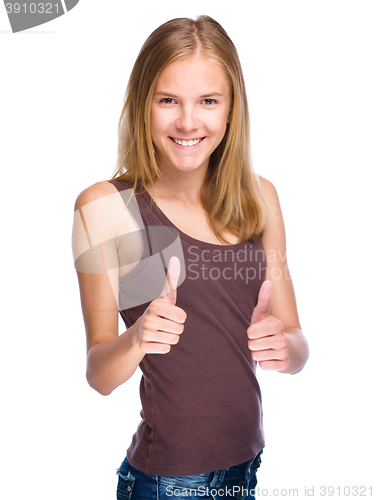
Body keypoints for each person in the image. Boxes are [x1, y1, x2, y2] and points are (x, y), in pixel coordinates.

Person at [72, 15, 309, 500]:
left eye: (207, 101)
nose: (187, 121)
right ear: (143, 105)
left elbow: (297, 341)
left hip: (246, 469)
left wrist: (285, 350)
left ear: (230, 109)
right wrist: (138, 336)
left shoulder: (259, 198)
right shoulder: (107, 208)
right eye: (167, 100)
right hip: (166, 483)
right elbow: (99, 374)